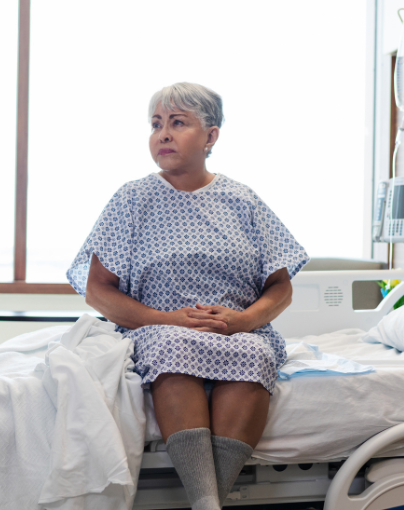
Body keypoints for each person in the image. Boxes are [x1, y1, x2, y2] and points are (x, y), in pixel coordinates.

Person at [66, 82, 308, 510]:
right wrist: (166, 319)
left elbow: (280, 286)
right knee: (173, 344)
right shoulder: (132, 199)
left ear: (211, 136)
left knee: (254, 354)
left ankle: (207, 501)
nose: (163, 134)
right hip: (158, 329)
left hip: (237, 330)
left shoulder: (243, 200)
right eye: (156, 124)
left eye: (178, 123)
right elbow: (97, 290)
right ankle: (207, 503)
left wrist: (244, 321)